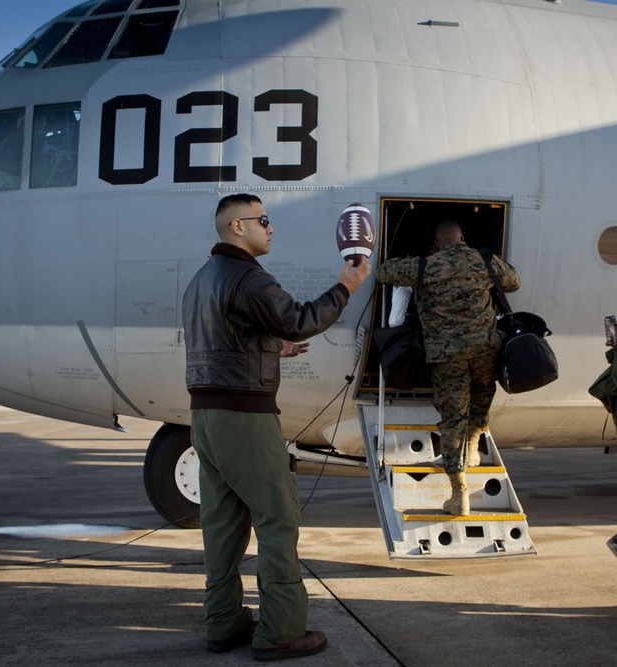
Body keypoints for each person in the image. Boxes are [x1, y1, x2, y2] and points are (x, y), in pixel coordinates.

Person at [182, 193, 370, 661]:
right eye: (263, 220)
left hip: (205, 416)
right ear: (237, 227)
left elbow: (227, 338)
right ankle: (281, 632)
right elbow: (300, 319)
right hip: (245, 416)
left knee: (222, 525)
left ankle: (223, 624)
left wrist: (270, 350)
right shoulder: (248, 276)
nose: (271, 228)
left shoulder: (200, 280)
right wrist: (346, 286)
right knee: (277, 519)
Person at [376, 221, 519, 514]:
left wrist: (416, 263)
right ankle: (474, 447)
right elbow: (514, 281)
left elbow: (384, 272)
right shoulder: (483, 260)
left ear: (437, 243)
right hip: (484, 351)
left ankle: (459, 494)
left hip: (448, 356)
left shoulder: (426, 266)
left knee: (453, 419)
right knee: (480, 399)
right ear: (463, 238)